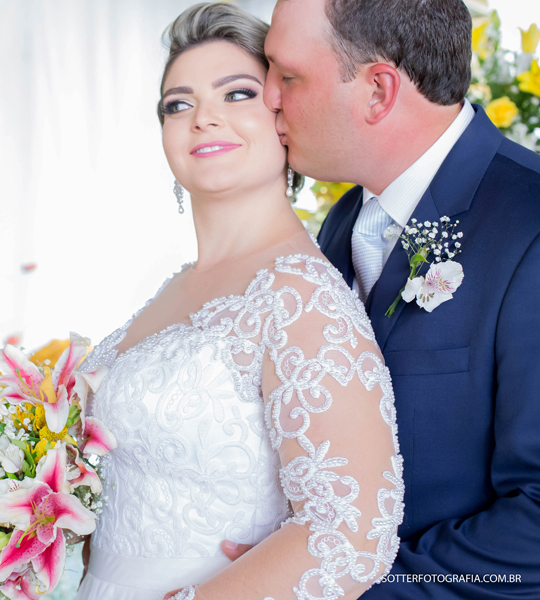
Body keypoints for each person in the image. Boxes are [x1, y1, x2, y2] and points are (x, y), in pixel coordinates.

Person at [75, 4, 403, 599]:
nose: (203, 118)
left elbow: (352, 532)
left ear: (282, 116)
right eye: (178, 104)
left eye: (236, 94)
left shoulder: (301, 296)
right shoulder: (170, 288)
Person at [220, 0, 540, 597]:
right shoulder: (343, 223)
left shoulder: (532, 230)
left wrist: (336, 584)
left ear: (378, 91)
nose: (267, 97)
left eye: (287, 75)